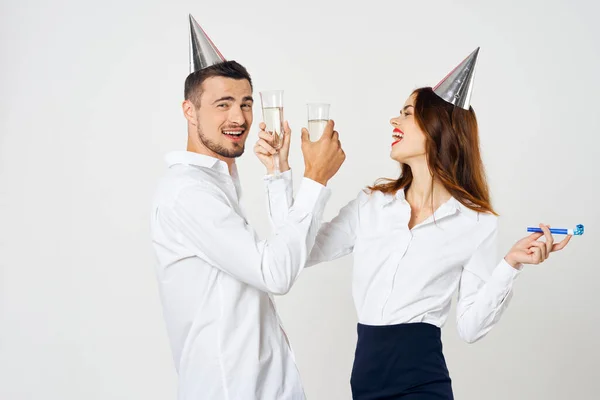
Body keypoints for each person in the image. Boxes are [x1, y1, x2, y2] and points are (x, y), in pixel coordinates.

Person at [254, 48, 572, 399]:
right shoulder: (373, 205)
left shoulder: (475, 222)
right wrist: (278, 171)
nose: (394, 121)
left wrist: (510, 265)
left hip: (423, 382)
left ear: (438, 127)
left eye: (407, 113)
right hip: (366, 382)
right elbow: (296, 250)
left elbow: (470, 327)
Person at [150, 15, 345, 399]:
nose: (238, 118)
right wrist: (316, 179)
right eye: (222, 104)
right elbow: (275, 274)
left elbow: (288, 254)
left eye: (244, 103)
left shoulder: (214, 185)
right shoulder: (188, 193)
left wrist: (278, 173)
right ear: (189, 111)